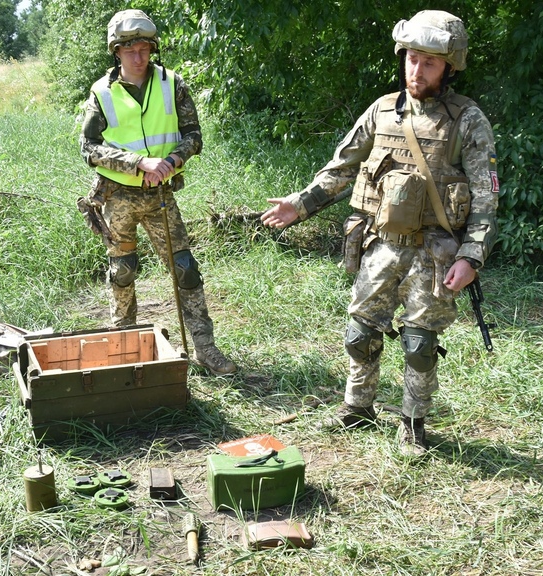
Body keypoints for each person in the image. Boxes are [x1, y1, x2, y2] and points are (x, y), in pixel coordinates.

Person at [261, 10, 499, 456]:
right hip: (382, 245)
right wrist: (301, 203)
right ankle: (358, 407)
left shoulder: (467, 121)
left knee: (419, 344)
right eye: (412, 58)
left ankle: (413, 422)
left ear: (449, 66)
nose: (417, 70)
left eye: (429, 62)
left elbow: (486, 197)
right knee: (360, 332)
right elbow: (342, 167)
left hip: (435, 253)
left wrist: (471, 256)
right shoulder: (382, 110)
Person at [78, 9, 237, 376]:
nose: (138, 56)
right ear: (116, 51)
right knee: (122, 271)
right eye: (129, 48)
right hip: (117, 196)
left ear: (152, 49)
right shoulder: (102, 92)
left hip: (161, 194)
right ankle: (125, 347)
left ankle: (206, 349)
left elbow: (193, 135)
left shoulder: (172, 83)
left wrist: (170, 160)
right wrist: (137, 162)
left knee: (186, 271)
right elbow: (89, 147)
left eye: (145, 48)